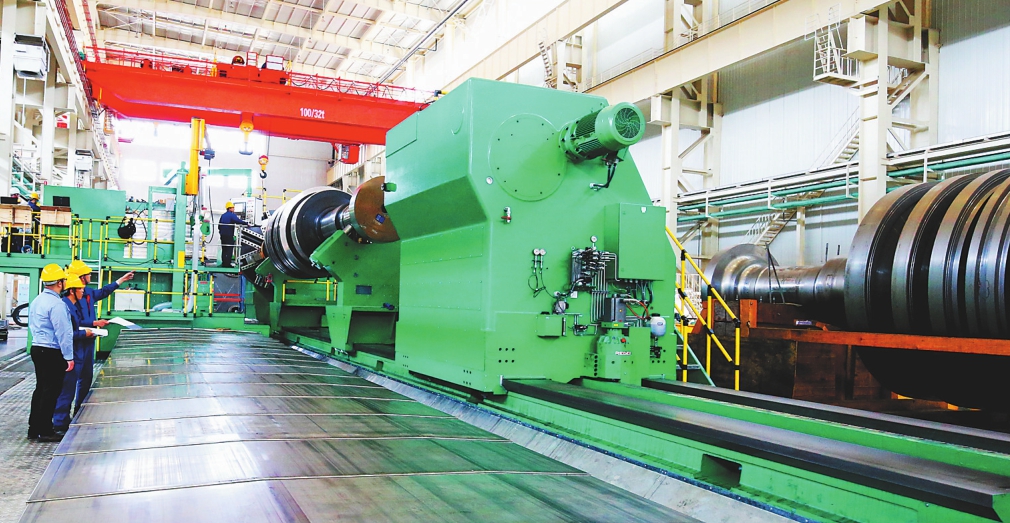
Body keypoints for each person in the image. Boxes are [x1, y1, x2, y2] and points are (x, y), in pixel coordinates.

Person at [53, 261, 134, 432]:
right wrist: (94, 324)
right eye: (88, 274)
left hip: (88, 342)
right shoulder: (68, 302)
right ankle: (60, 421)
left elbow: (103, 291)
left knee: (86, 379)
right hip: (77, 345)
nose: (91, 276)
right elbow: (73, 325)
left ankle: (80, 413)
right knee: (69, 384)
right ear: (80, 279)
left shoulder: (86, 293)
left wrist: (121, 280)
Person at [27, 264, 75, 442]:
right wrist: (69, 357)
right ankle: (46, 430)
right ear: (60, 283)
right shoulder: (57, 304)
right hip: (51, 351)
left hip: (37, 348)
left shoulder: (37, 300)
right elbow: (64, 332)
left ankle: (34, 428)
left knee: (41, 388)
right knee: (51, 391)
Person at [218, 202, 248, 268]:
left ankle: (224, 263)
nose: (234, 209)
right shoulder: (232, 215)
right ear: (230, 208)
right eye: (233, 208)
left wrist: (221, 232)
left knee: (224, 249)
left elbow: (219, 226)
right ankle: (227, 264)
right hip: (229, 235)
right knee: (229, 249)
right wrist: (246, 223)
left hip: (223, 235)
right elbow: (238, 221)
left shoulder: (223, 215)